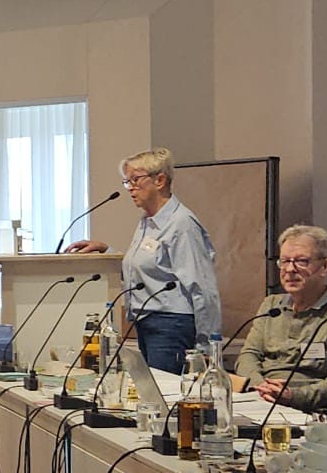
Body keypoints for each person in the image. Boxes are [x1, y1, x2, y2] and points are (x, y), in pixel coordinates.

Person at [66, 148, 220, 373]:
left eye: (135, 180)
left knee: (164, 389)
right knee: (150, 389)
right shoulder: (148, 221)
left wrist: (206, 344)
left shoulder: (182, 224)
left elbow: (203, 286)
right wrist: (107, 251)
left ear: (160, 180)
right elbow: (147, 270)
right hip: (147, 322)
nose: (130, 188)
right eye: (127, 182)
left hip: (171, 325)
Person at [234, 226, 327, 416]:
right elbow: (248, 355)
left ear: (324, 267)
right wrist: (260, 386)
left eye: (302, 261)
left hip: (309, 412)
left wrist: (293, 396)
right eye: (285, 261)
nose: (290, 269)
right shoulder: (271, 306)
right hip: (261, 402)